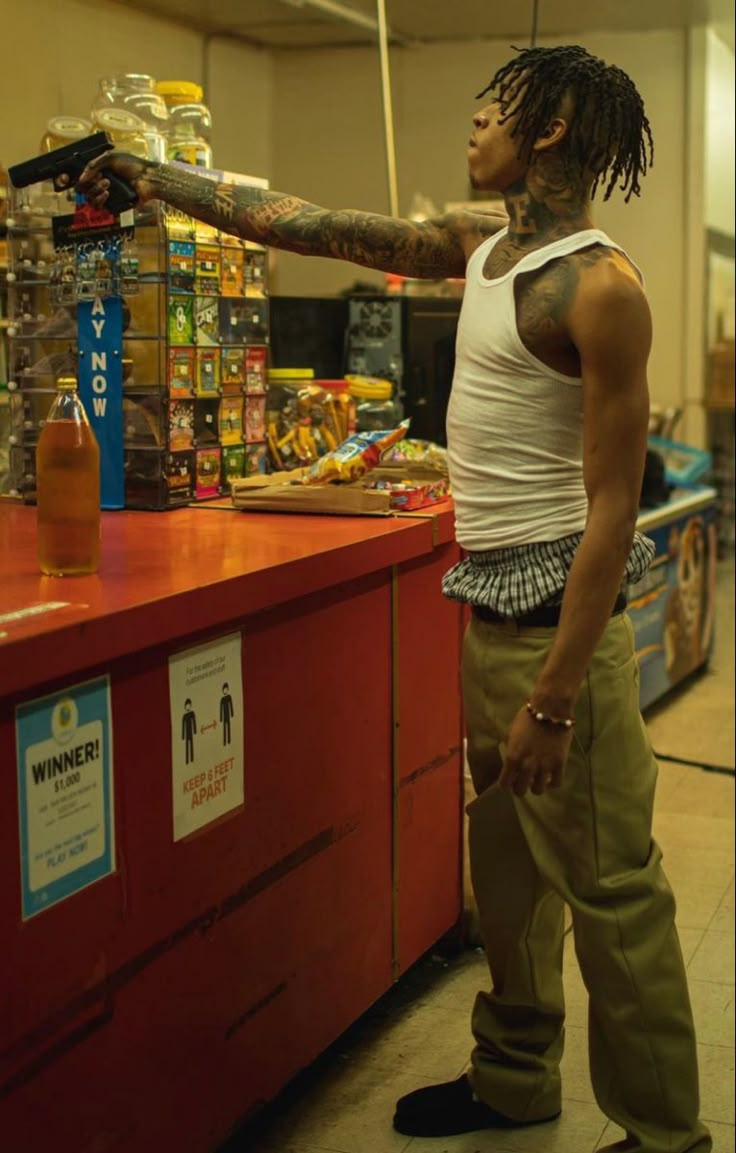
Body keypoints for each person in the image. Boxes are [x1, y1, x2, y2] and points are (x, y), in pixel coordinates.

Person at [73, 44, 711, 1153]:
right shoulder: (483, 251)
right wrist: (153, 176)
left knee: (614, 896)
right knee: (507, 885)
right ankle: (515, 1080)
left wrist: (556, 699)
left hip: (564, 641)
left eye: (490, 111)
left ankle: (665, 1136)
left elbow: (612, 510)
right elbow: (316, 225)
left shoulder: (599, 288)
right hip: (492, 617)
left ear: (548, 130)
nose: (471, 127)